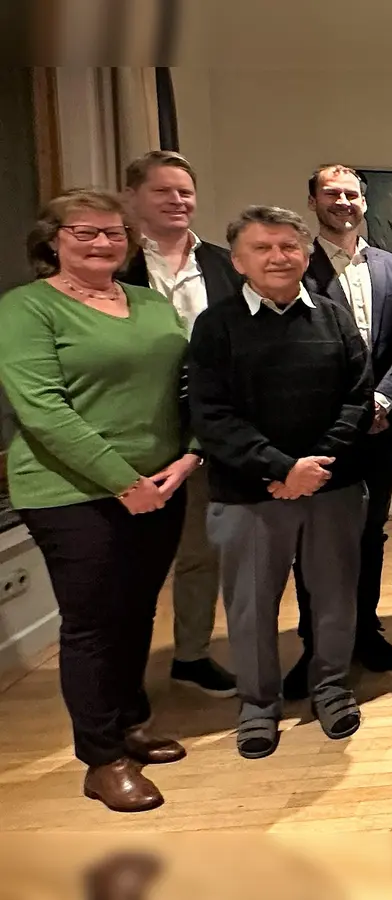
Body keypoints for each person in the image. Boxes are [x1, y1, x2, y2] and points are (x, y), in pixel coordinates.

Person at [0, 190, 196, 812]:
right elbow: (42, 409)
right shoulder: (27, 308)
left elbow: (188, 384)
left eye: (113, 232)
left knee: (137, 611)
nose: (102, 243)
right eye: (84, 232)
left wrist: (191, 454)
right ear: (52, 239)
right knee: (92, 624)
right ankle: (102, 758)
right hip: (70, 491)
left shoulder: (148, 302)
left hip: (162, 483)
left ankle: (130, 722)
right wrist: (122, 481)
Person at [188, 206, 372, 760]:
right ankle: (258, 704)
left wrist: (313, 468)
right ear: (238, 260)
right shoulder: (215, 325)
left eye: (289, 246)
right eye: (262, 248)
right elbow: (211, 414)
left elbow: (358, 398)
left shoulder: (335, 317)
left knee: (334, 597)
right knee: (250, 605)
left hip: (331, 488)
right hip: (250, 494)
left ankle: (331, 689)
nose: (278, 257)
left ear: (306, 254)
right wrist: (280, 469)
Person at [283, 164, 392, 698]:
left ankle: (364, 629)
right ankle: (315, 644)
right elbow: (293, 347)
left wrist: (382, 398)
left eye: (352, 194)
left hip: (381, 424)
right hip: (319, 428)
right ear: (312, 201)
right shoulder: (296, 266)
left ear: (365, 201)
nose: (343, 202)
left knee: (370, 531)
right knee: (315, 540)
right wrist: (349, 408)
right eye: (331, 193)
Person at [117, 150, 243, 698]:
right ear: (132, 197)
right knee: (129, 561)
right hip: (132, 430)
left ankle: (191, 654)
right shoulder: (112, 262)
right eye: (163, 190)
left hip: (206, 430)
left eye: (185, 191)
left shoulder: (223, 263)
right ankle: (120, 673)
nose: (177, 201)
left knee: (201, 552)